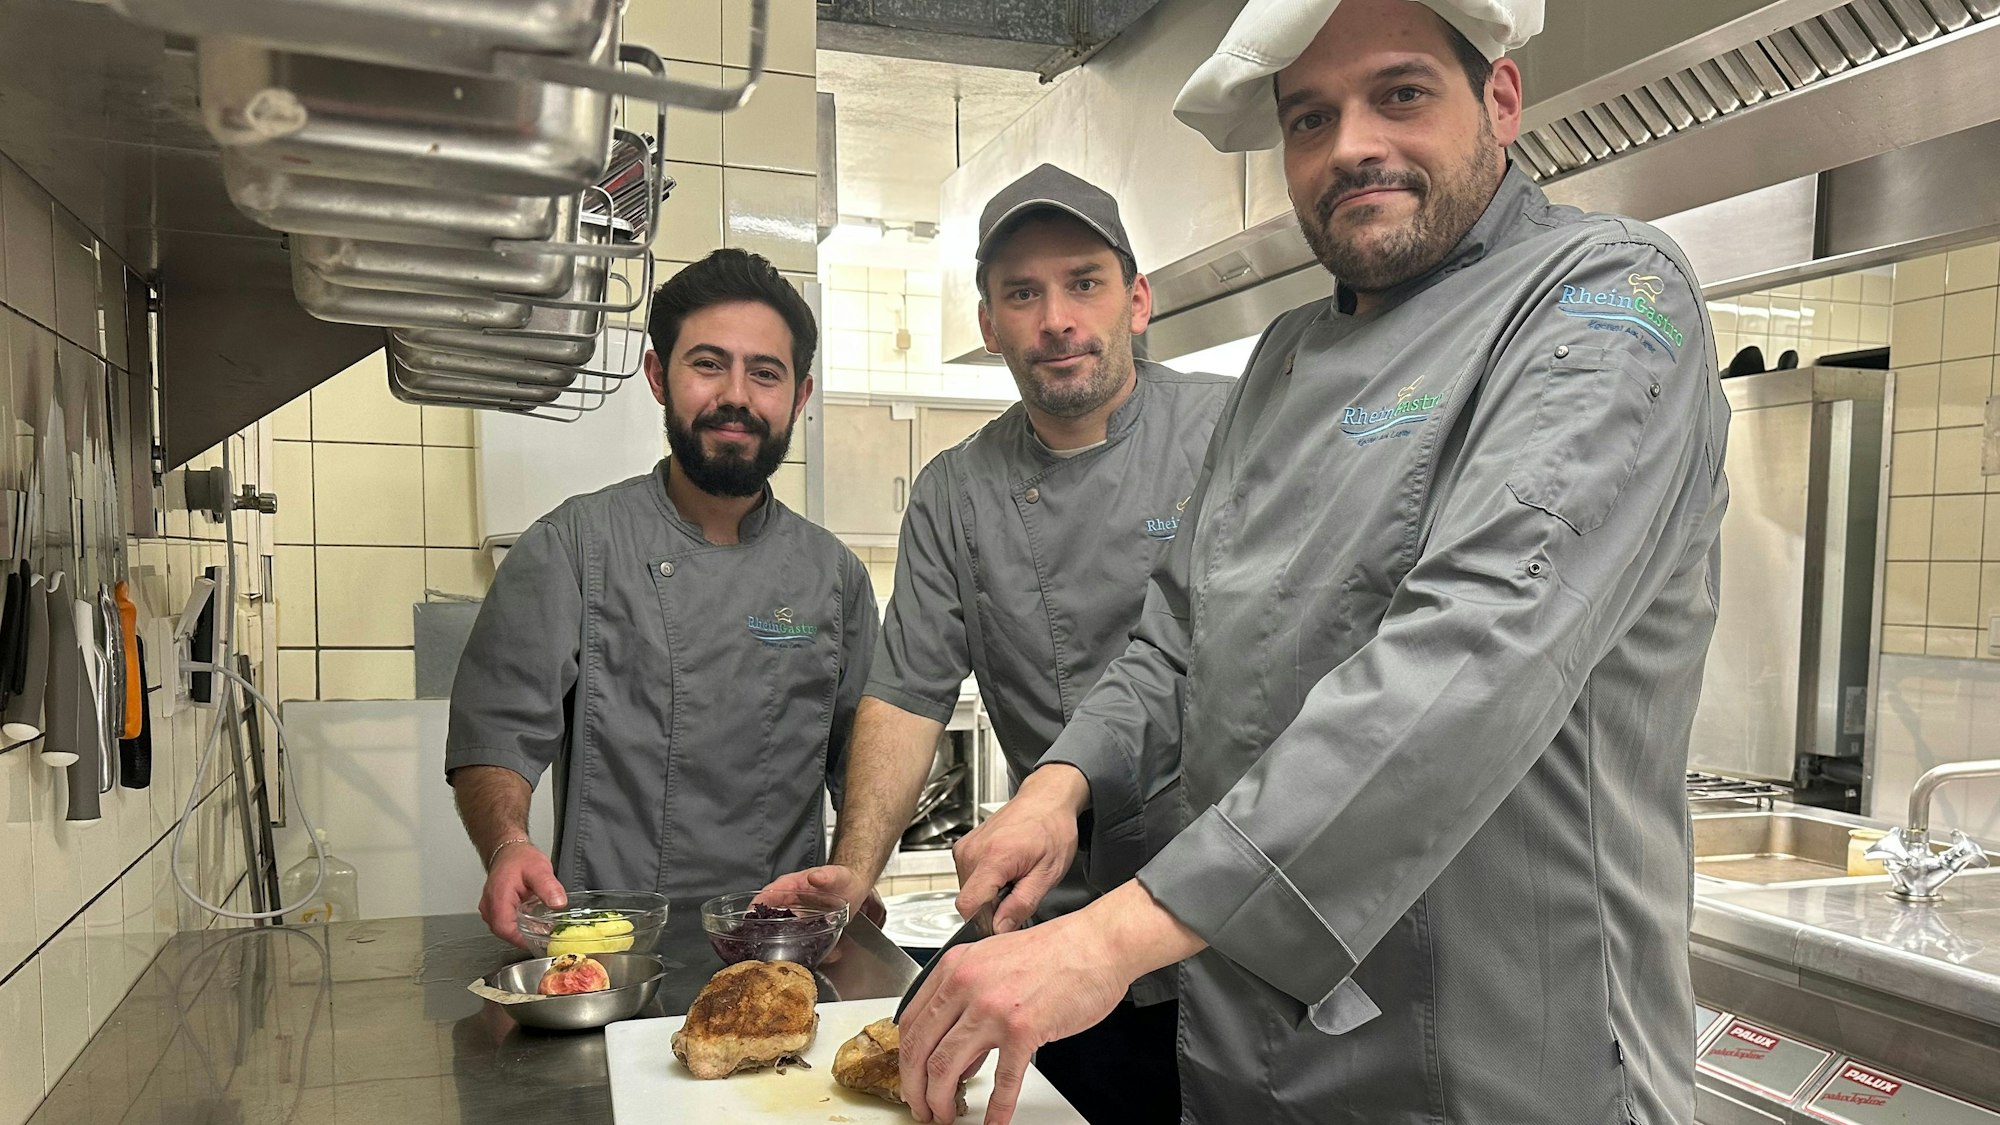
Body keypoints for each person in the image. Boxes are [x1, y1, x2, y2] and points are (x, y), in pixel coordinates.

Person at [895, 1, 1731, 1122]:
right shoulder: (1285, 359)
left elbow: (1475, 651)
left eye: (1400, 93)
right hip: (1251, 1059)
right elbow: (1177, 638)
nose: (1350, 146)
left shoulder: (1606, 298)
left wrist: (1112, 935)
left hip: (1498, 1062)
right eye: (1308, 118)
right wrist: (1060, 785)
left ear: (1499, 101)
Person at [767, 165, 1230, 1123]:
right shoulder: (955, 491)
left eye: (1084, 283)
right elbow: (907, 694)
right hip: (1048, 922)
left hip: (1227, 928)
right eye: (1022, 293)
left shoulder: (1234, 429)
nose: (1056, 319)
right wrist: (857, 871)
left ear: (1138, 300)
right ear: (989, 324)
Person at [445, 248, 878, 945]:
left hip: (778, 947)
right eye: (708, 364)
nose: (736, 395)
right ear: (657, 376)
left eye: (765, 373)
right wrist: (507, 844)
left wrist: (857, 867)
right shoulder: (572, 545)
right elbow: (497, 730)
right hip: (610, 947)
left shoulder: (835, 577)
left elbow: (866, 758)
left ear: (799, 397)